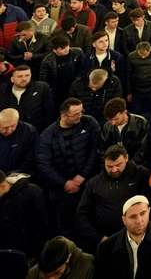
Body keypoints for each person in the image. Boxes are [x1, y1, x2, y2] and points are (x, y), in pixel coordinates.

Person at [36, 98, 98, 238]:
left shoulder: (89, 123)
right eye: (76, 114)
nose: (80, 116)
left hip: (87, 182)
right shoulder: (47, 136)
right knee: (66, 223)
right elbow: (43, 164)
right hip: (61, 189)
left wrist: (82, 176)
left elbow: (95, 150)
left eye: (81, 111)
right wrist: (65, 183)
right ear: (63, 116)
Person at [73, 144, 151, 252]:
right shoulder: (94, 184)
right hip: (105, 243)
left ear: (126, 158)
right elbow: (81, 216)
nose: (114, 170)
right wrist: (99, 238)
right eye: (109, 166)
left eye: (118, 165)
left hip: (139, 239)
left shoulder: (141, 174)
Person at [94, 194, 151, 279]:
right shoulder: (106, 248)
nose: (139, 221)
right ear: (124, 220)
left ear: (149, 211)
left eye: (143, 213)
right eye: (133, 217)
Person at [0, 168, 47, 260]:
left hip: (24, 253)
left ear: (3, 186)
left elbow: (40, 224)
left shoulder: (32, 192)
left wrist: (36, 251)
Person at [24, 236, 95, 279]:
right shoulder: (33, 274)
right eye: (46, 277)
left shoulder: (88, 265)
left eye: (57, 273)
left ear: (68, 258)